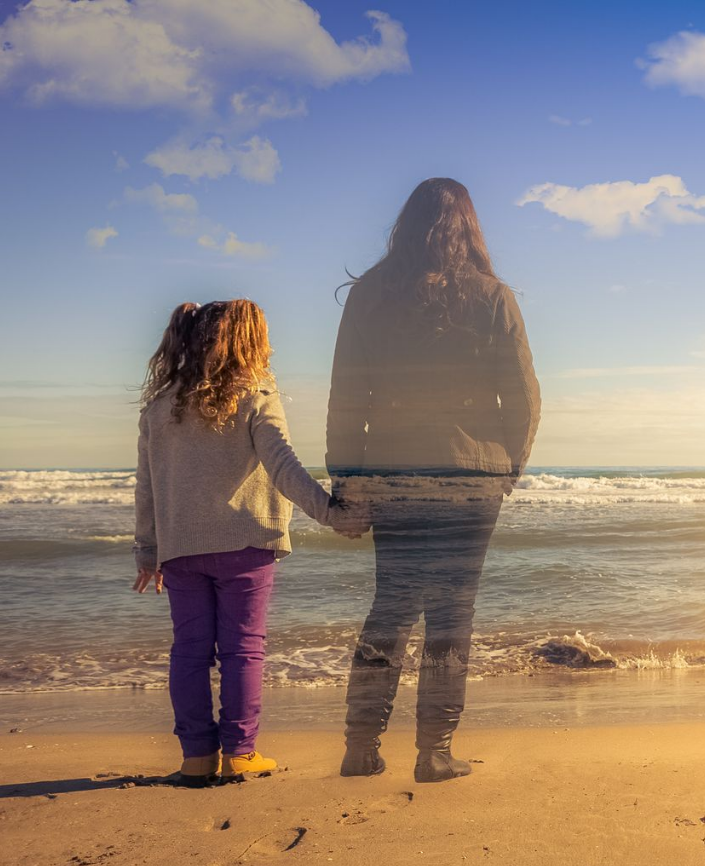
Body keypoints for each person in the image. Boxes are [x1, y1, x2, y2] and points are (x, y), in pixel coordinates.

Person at [326, 178, 540, 783]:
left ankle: (361, 746)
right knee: (452, 614)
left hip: (392, 471)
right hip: (469, 476)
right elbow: (524, 397)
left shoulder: (369, 294)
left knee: (390, 607)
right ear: (470, 227)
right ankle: (434, 751)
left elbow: (348, 398)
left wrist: (348, 481)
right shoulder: (492, 296)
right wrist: (506, 468)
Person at [133, 299, 334, 786]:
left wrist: (147, 551)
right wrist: (330, 511)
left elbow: (147, 486)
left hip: (181, 548)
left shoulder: (159, 407)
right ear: (250, 341)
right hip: (245, 541)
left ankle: (196, 759)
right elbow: (283, 464)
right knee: (242, 650)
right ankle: (240, 754)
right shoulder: (255, 394)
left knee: (190, 651)